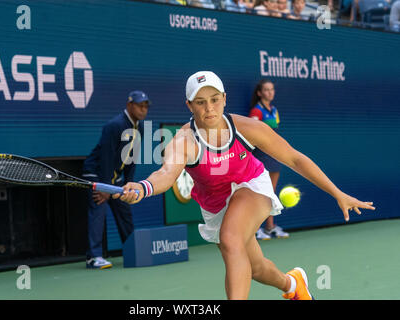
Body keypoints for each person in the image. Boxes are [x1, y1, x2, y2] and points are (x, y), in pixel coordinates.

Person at [113, 71, 375, 300]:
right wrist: (144, 187)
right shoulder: (184, 140)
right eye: (201, 103)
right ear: (189, 105)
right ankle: (294, 284)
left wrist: (337, 193)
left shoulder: (247, 126)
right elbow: (166, 173)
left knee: (231, 237)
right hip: (216, 205)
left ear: (224, 99)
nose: (209, 109)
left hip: (251, 186)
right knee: (257, 268)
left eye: (215, 100)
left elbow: (294, 158)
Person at [82, 90, 150, 269]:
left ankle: (133, 251)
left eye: (146, 106)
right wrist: (104, 187)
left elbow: (131, 159)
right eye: (140, 105)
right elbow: (106, 156)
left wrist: (130, 184)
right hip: (96, 173)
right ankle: (93, 257)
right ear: (129, 105)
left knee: (124, 210)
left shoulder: (140, 128)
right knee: (99, 209)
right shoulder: (115, 125)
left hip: (114, 178)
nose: (143, 110)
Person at [248, 80, 288, 240]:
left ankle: (270, 227)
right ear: (259, 93)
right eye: (266, 90)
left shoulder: (275, 110)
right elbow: (251, 133)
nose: (270, 92)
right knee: (260, 194)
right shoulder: (256, 112)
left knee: (271, 193)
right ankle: (255, 229)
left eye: (272, 89)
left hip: (274, 154)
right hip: (261, 156)